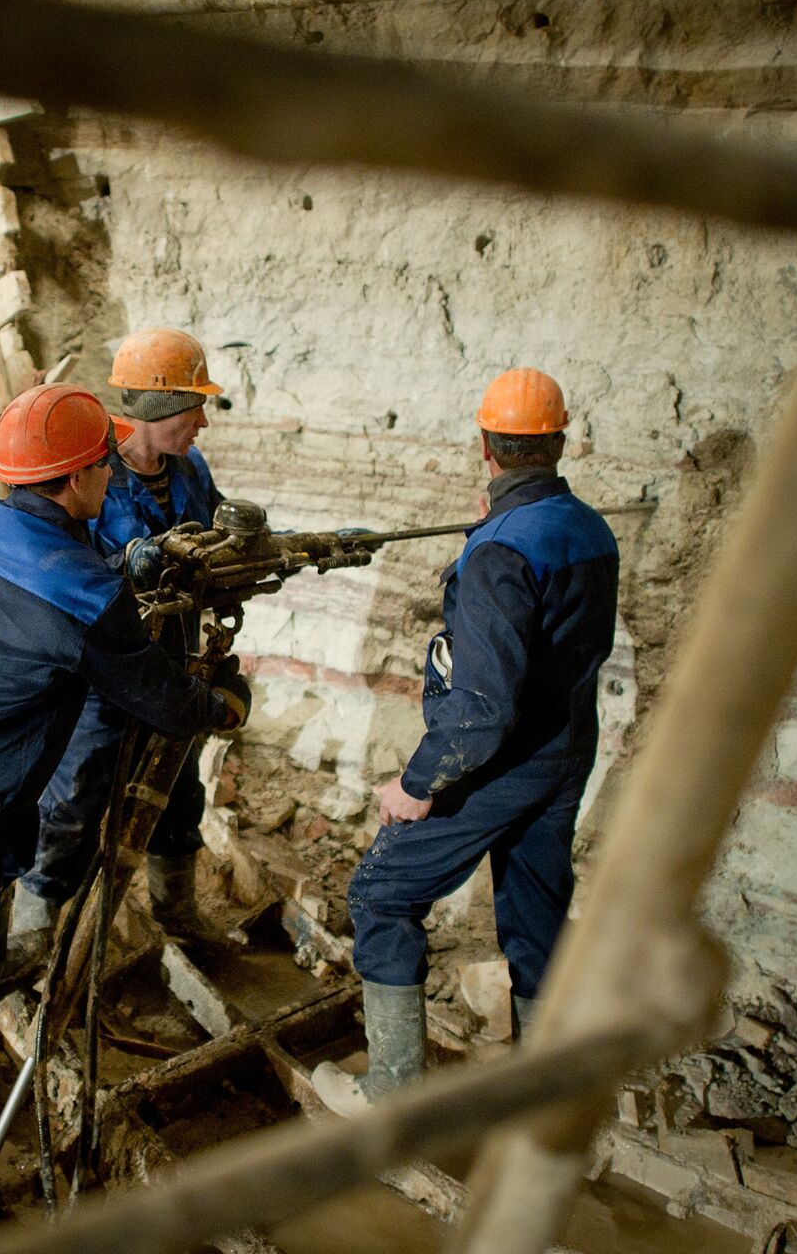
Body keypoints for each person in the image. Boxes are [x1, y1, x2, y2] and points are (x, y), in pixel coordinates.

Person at [0, 383, 249, 1253]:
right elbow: (153, 694)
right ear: (74, 481)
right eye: (101, 463)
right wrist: (220, 708)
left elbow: (36, 613)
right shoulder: (78, 592)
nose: (110, 474)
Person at [313, 367, 618, 1114]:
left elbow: (481, 708)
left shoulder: (500, 551)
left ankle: (389, 1091)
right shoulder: (589, 528)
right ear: (558, 442)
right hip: (567, 748)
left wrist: (416, 786)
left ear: (485, 446)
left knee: (381, 894)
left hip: (499, 763)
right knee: (537, 907)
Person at [5, 328, 235, 972]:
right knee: (76, 796)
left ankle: (176, 911)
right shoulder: (89, 469)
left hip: (171, 663)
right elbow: (52, 565)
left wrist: (299, 547)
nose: (202, 423)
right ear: (159, 411)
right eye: (195, 406)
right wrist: (123, 563)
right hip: (101, 673)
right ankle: (34, 928)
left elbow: (217, 541)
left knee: (179, 789)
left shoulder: (191, 472)